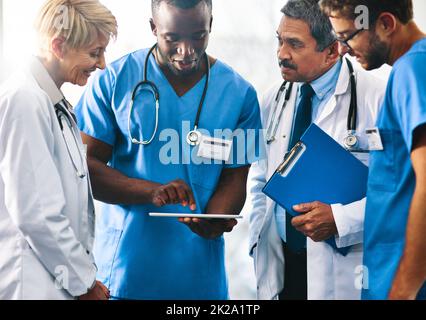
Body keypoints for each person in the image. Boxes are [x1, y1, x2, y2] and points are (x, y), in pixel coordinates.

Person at [74, 0, 262, 300]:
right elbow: (84, 168)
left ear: (210, 24)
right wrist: (152, 191)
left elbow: (236, 178)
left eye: (198, 36)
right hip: (125, 273)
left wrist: (215, 218)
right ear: (153, 28)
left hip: (199, 278)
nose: (186, 51)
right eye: (172, 39)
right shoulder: (113, 80)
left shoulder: (240, 94)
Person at [248, 0, 385, 300]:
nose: (281, 54)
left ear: (332, 51)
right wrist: (258, 236)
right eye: (280, 40)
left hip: (344, 270)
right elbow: (259, 180)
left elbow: (399, 194)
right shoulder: (272, 101)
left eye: (294, 44)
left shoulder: (377, 101)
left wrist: (341, 220)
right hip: (282, 270)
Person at [0, 0, 117, 300]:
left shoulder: (54, 103)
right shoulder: (25, 100)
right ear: (58, 45)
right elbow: (37, 213)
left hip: (55, 281)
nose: (102, 64)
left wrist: (85, 278)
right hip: (31, 286)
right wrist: (84, 285)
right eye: (95, 53)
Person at [320, 0, 426, 300]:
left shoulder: (413, 71)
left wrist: (403, 289)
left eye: (346, 37)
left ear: (386, 24)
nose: (341, 50)